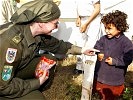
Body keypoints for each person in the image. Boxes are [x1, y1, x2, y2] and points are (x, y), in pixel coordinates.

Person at [0, 0, 97, 99]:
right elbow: (3, 86)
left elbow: (58, 46)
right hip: (2, 85)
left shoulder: (34, 32)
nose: (56, 27)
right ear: (41, 23)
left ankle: (31, 88)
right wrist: (36, 83)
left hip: (14, 70)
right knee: (37, 98)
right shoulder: (11, 44)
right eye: (55, 23)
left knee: (49, 60)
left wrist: (82, 50)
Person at [93, 10, 133, 100]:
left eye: (109, 28)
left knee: (111, 97)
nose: (106, 31)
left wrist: (115, 61)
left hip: (114, 80)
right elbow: (97, 46)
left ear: (119, 28)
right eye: (105, 28)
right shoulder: (104, 39)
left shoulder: (126, 43)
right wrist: (99, 52)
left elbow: (128, 58)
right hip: (100, 76)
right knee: (98, 95)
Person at [74, 0, 101, 74]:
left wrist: (87, 23)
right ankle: (79, 67)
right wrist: (78, 17)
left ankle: (89, 68)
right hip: (83, 19)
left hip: (93, 19)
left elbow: (97, 9)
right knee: (80, 43)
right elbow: (78, 5)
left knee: (91, 43)